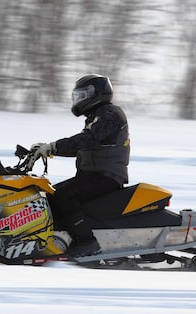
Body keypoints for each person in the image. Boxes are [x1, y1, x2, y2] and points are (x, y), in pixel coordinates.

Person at [31, 74, 130, 257]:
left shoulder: (110, 114)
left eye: (82, 95)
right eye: (77, 96)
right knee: (50, 196)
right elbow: (82, 146)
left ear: (97, 94)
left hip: (106, 177)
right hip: (93, 176)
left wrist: (53, 146)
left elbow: (87, 139)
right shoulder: (96, 117)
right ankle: (58, 240)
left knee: (63, 195)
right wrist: (48, 149)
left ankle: (87, 242)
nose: (78, 100)